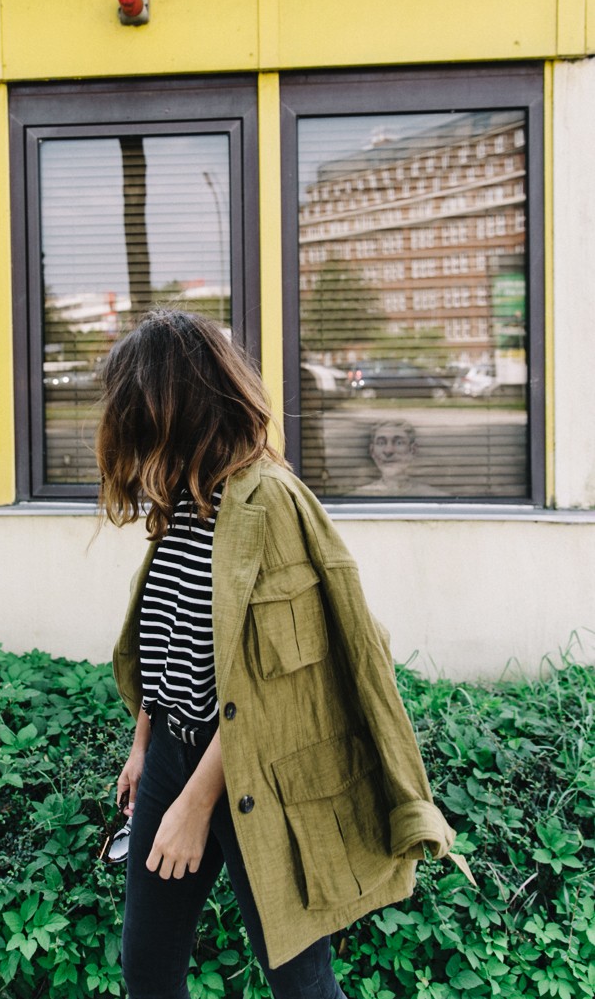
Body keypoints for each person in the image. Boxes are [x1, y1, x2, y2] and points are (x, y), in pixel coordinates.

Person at [96, 310, 457, 999]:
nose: (127, 425)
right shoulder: (184, 495)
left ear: (178, 402)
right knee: (147, 966)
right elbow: (171, 631)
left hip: (248, 766)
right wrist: (145, 741)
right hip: (175, 754)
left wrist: (198, 803)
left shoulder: (270, 502)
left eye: (135, 406)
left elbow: (274, 689)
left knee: (300, 981)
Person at [350, 419, 446, 497]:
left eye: (398, 442)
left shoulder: (435, 498)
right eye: (381, 443)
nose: (388, 451)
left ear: (413, 450)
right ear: (372, 451)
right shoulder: (356, 499)